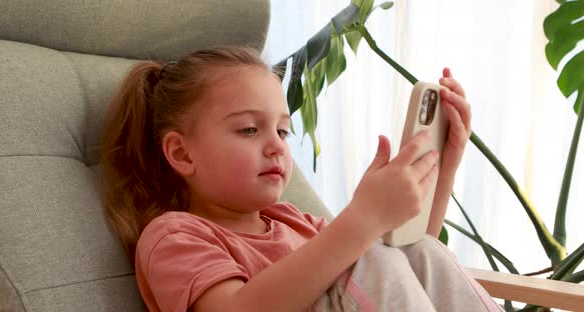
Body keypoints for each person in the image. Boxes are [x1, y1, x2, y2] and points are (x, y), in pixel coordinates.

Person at [101, 46, 500, 312]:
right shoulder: (174, 236)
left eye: (283, 131)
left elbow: (406, 272)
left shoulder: (294, 221)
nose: (276, 146)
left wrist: (444, 164)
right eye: (248, 130)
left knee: (417, 252)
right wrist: (362, 220)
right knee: (372, 255)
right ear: (182, 153)